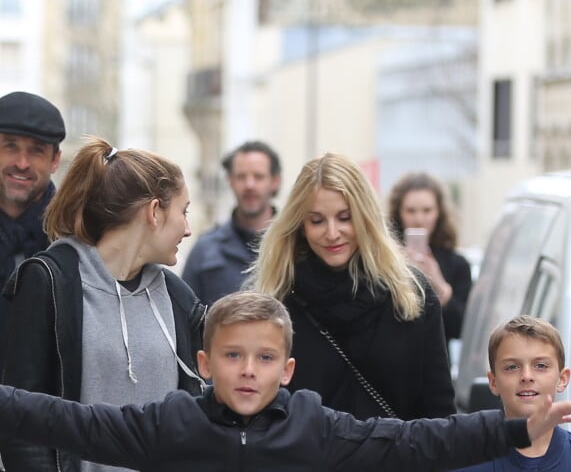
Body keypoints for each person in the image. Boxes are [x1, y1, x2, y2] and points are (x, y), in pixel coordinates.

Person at [0, 291, 571, 471]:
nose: (248, 370)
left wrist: (514, 428)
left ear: (288, 369)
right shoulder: (168, 424)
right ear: (204, 364)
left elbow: (417, 442)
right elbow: (67, 421)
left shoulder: (315, 426)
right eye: (232, 355)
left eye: (264, 358)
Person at [0, 137, 207, 472]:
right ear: (154, 212)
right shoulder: (49, 282)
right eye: (182, 212)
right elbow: (19, 421)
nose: (187, 228)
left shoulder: (179, 298)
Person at [251, 153, 456, 421]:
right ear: (300, 226)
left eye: (345, 217)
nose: (332, 232)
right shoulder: (278, 303)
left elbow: (438, 412)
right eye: (317, 220)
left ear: (364, 217)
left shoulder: (410, 296)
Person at [451, 315, 571, 472]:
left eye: (540, 365)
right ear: (493, 382)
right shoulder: (463, 462)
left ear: (562, 379)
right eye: (512, 367)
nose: (526, 376)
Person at [0, 91, 65, 370]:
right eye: (10, 146)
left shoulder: (76, 235)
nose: (22, 163)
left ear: (54, 160)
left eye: (36, 150)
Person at [183, 140, 281, 305]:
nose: (249, 185)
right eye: (241, 177)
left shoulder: (293, 244)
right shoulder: (205, 250)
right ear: (230, 181)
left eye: (258, 176)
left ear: (275, 181)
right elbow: (184, 316)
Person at [388, 172, 472, 346]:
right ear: (398, 212)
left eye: (427, 210)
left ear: (438, 213)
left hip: (435, 362)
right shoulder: (383, 259)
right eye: (410, 211)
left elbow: (462, 328)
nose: (419, 219)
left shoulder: (457, 264)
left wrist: (439, 284)